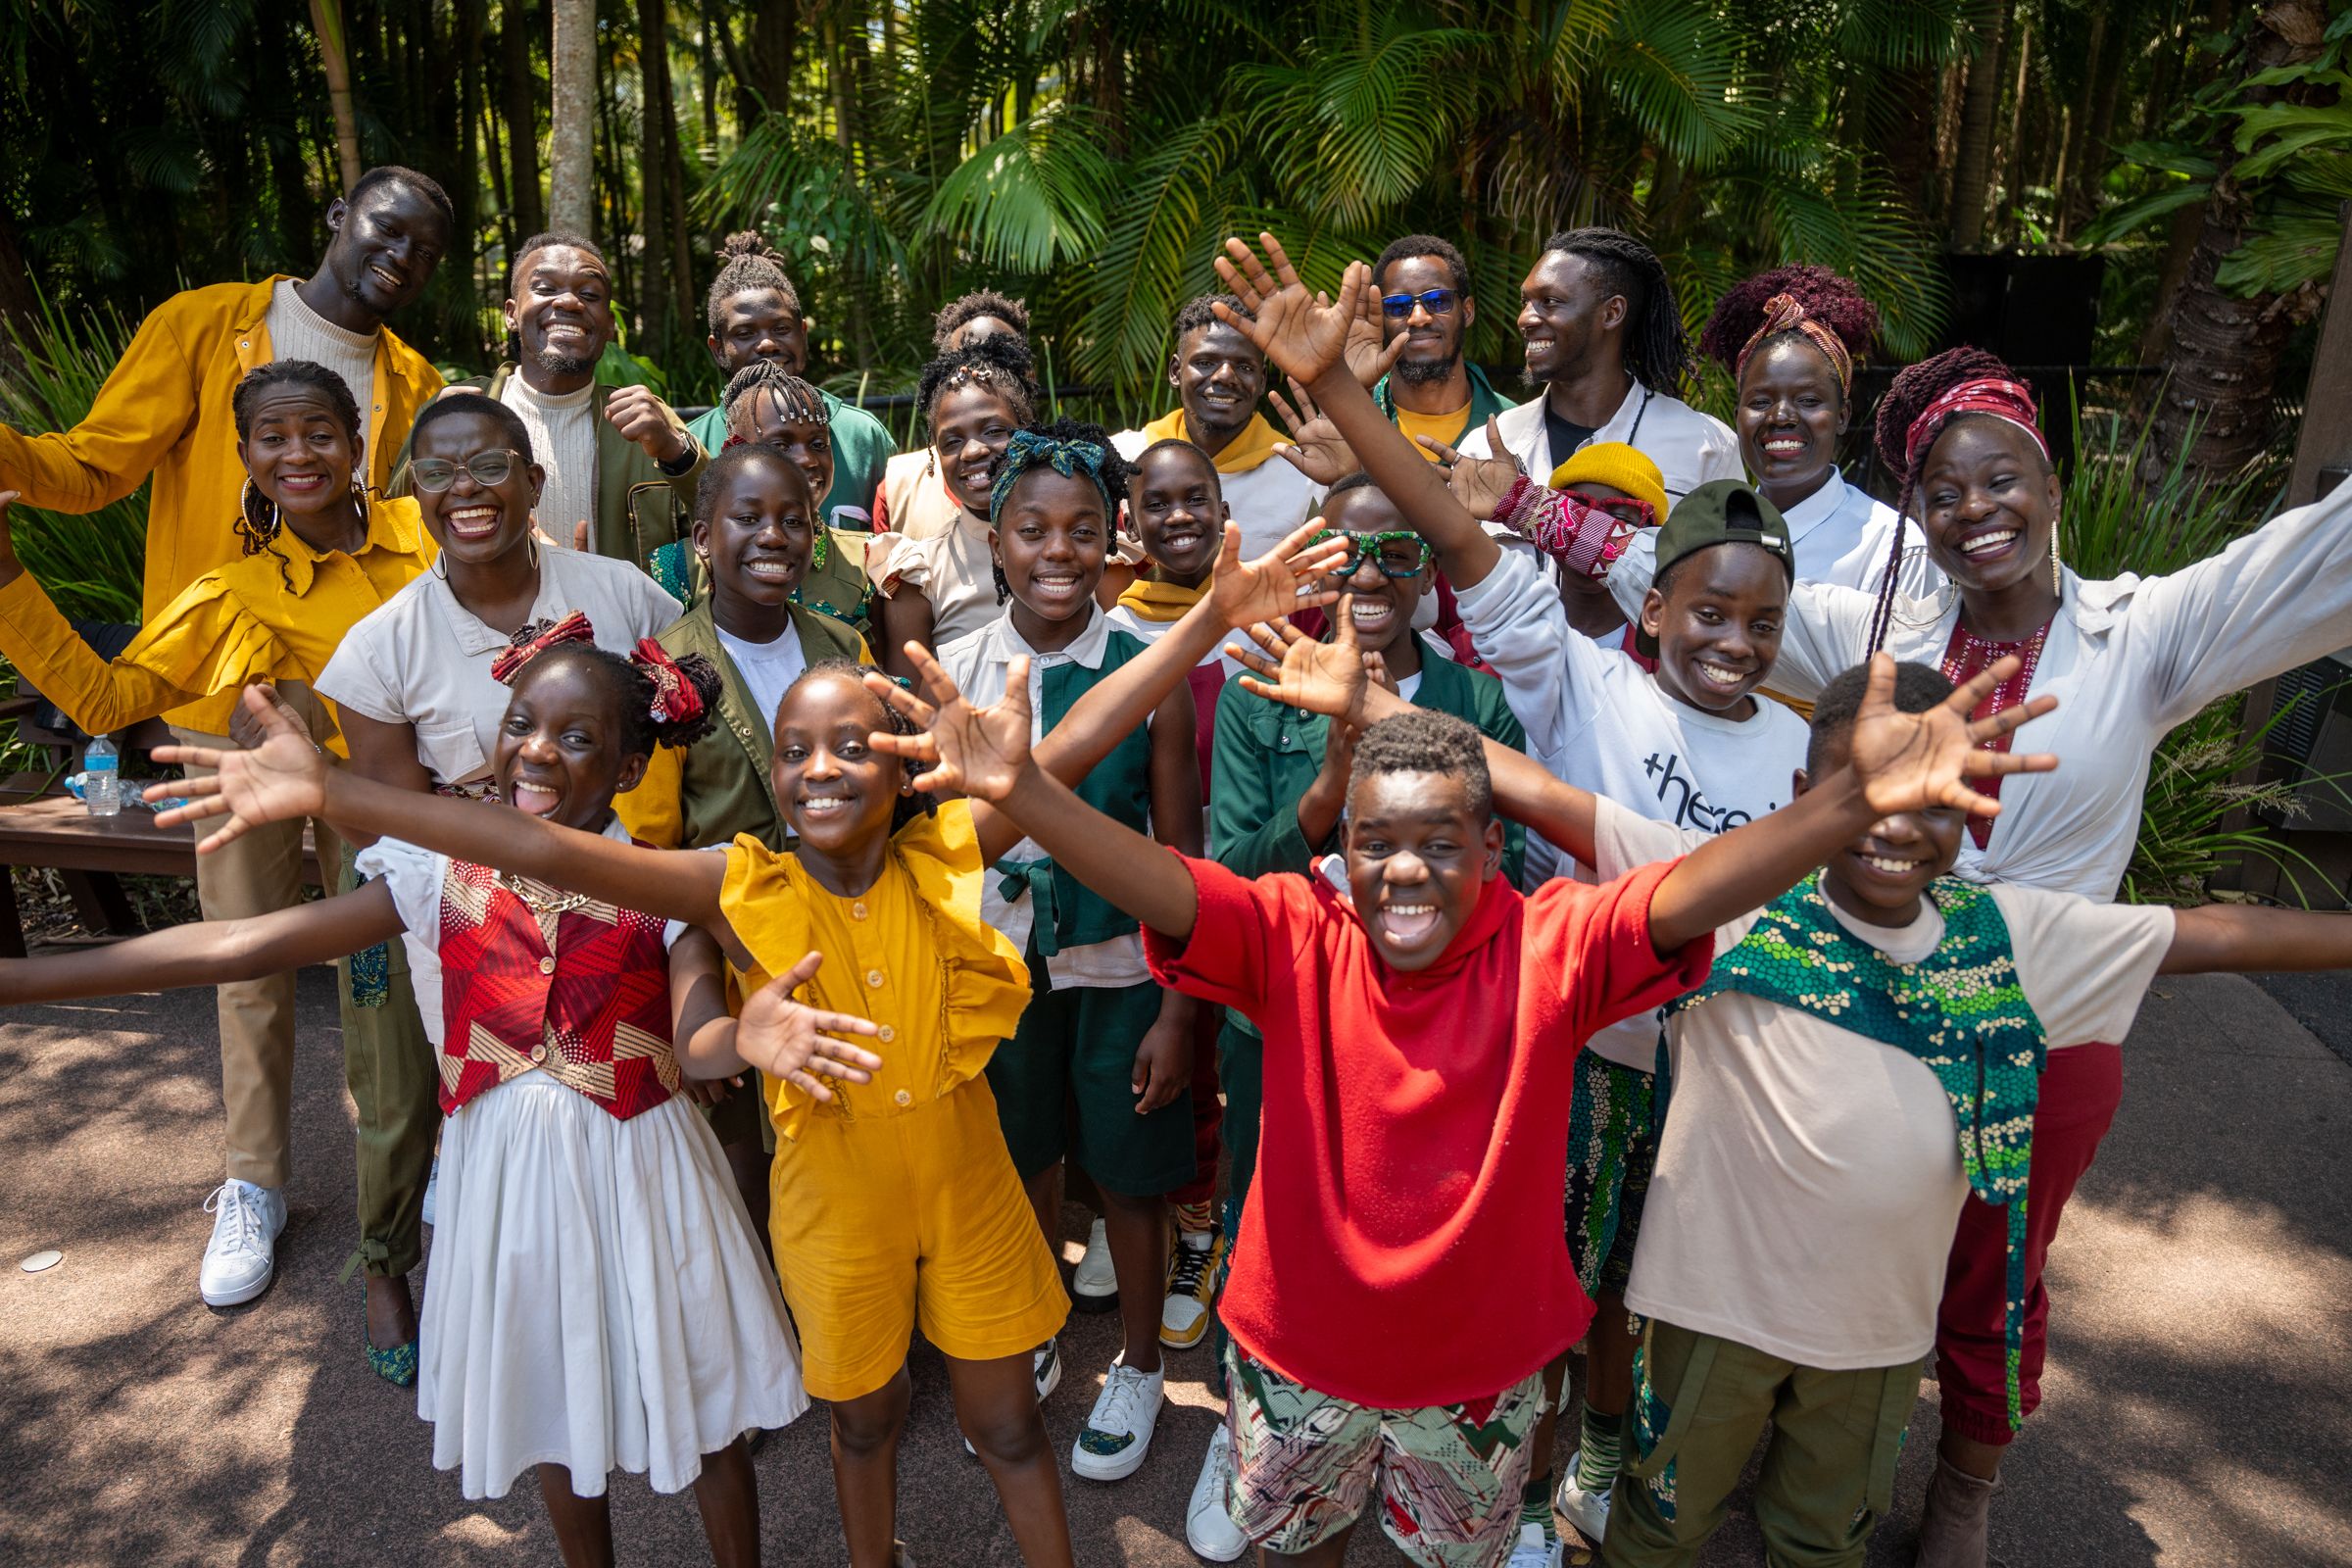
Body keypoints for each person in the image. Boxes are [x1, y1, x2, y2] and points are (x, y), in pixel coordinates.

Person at [875, 430, 2061, 1568]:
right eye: (1376, 840)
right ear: (1345, 847)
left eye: (1439, 841)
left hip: (1485, 1378)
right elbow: (1169, 885)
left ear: (1491, 849)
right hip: (1298, 1358)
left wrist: (1844, 807)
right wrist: (1024, 793)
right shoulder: (1299, 932)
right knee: (1300, 1551)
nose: (1404, 868)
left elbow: (1693, 888)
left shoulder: (1552, 943)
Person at [164, 516, 1348, 1568]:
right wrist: (333, 795)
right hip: (833, 1209)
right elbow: (540, 851)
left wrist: (1204, 619)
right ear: (769, 776)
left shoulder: (951, 850)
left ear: (902, 767)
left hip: (972, 1190)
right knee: (864, 1421)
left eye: (852, 746)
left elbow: (1087, 726)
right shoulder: (734, 882)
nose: (821, 768)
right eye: (794, 751)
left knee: (1007, 1426)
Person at [1628, 346, 2352, 1568]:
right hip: (1866, 996)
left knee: (1996, 1274)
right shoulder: (1883, 631)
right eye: (1944, 493)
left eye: (1999, 478)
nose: (1975, 510)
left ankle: (1963, 1482)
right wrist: (1521, 509)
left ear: (2051, 482)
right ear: (1918, 516)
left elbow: (2315, 558)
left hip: (2044, 1014)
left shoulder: (2145, 634)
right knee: (1828, 1222)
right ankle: (1779, 1423)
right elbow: (1696, 591)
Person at [1223, 250, 1815, 1561]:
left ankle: (1626, 1446)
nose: (1731, 639)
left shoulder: (1794, 746)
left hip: (1738, 1063)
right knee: (1564, 1269)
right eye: (1705, 609)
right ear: (1652, 610)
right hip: (1594, 1049)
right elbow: (1456, 533)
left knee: (1674, 1293)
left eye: (1760, 621)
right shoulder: (1584, 686)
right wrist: (1328, 381)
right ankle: (1550, 1469)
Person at [15, 636, 808, 1565]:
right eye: (522, 725)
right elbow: (241, 947)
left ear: (631, 766)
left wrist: (739, 1039)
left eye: (578, 737)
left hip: (643, 1171)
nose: (538, 751)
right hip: (506, 1184)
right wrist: (16, 984)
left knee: (703, 1399)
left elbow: (698, 1028)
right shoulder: (437, 874)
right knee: (551, 1402)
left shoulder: (668, 890)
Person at [0, 362, 434, 1316]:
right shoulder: (232, 591)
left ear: (356, 444)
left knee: (398, 975)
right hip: (251, 766)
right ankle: (254, 1183)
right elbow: (108, 697)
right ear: (245, 459)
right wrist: (6, 578)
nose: (297, 453)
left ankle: (421, 1164)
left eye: (318, 431)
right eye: (272, 438)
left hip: (396, 796)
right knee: (249, 963)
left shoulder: (424, 535)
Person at [1181, 472, 1531, 1564]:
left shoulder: (1477, 705)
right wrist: (1325, 792)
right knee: (1270, 1235)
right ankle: (1256, 1432)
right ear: (1317, 559)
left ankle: (1439, 1453)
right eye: (1349, 551)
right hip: (1288, 1032)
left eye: (1402, 552)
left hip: (1442, 1051)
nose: (1374, 573)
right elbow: (1228, 875)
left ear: (1433, 571)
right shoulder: (1255, 691)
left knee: (1431, 1238)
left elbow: (1503, 875)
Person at [313, 391, 681, 1373]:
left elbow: (680, 723)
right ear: (411, 492)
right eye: (434, 472)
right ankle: (458, 1297)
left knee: (636, 1097)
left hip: (621, 884)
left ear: (533, 478)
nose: (464, 490)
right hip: (475, 914)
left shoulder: (622, 593)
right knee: (494, 1105)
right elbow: (402, 822)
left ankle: (644, 1303)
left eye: (487, 465)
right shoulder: (381, 647)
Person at [933, 421, 1205, 1484]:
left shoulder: (1150, 676)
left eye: (1085, 529)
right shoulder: (952, 667)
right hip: (993, 969)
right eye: (1032, 528)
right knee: (1020, 1158)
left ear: (1116, 540)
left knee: (1131, 1175)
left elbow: (1183, 858)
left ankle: (1138, 1363)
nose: (1059, 550)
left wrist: (1181, 1007)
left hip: (1127, 974)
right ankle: (1036, 1319)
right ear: (993, 539)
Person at [0, 164, 451, 690]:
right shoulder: (199, 325)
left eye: (424, 253)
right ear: (338, 215)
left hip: (360, 694)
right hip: (217, 680)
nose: (401, 256)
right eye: (389, 230)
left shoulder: (420, 385)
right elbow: (92, 469)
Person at [619, 442, 873, 1229]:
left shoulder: (845, 652)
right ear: (702, 537)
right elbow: (650, 852)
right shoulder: (663, 673)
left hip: (847, 943)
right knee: (752, 1168)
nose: (774, 536)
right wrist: (686, 1009)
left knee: (853, 1134)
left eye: (793, 521)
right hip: (729, 962)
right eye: (749, 518)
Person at [1564, 267, 1942, 665]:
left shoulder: (1890, 547)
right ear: (1738, 415)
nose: (1781, 416)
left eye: (1809, 401)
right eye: (1760, 402)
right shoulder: (1700, 531)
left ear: (1844, 416)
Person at [1102, 436, 1235, 1353]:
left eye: (1199, 499)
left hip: (1261, 877)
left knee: (1244, 1070)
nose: (1180, 517)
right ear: (1132, 522)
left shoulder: (1264, 611)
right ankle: (1190, 1235)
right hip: (1168, 889)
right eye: (1160, 502)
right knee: (1179, 1072)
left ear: (1225, 510)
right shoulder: (1119, 629)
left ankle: (1231, 1226)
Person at [414, 231, 703, 569]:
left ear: (609, 326)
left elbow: (726, 524)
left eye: (589, 294)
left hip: (625, 621)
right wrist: (433, 442)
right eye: (546, 288)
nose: (568, 302)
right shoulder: (454, 412)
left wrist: (675, 452)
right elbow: (399, 528)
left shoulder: (649, 425)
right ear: (511, 313)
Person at [1455, 228, 1738, 509]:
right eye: (1525, 302)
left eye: (1549, 302)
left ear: (1612, 312)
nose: (1524, 318)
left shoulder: (1705, 448)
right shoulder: (1486, 447)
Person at [685, 231, 895, 531]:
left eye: (781, 328)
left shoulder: (863, 436)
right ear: (718, 349)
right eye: (745, 334)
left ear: (803, 334)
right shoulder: (692, 446)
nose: (767, 344)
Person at [648, 363, 871, 624]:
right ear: (735, 453)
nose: (807, 459)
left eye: (818, 444)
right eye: (781, 445)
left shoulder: (869, 559)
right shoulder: (677, 568)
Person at [868, 336, 1037, 678]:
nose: (973, 451)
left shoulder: (1082, 543)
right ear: (934, 455)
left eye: (993, 431)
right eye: (952, 441)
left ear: (1028, 432)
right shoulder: (921, 574)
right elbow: (910, 703)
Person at [1112, 295, 1322, 559]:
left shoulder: (1303, 476)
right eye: (1205, 362)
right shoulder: (1122, 459)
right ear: (1176, 371)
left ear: (1262, 380)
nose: (1225, 376)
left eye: (1244, 366)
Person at [873, 292, 1037, 542]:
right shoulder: (898, 489)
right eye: (964, 363)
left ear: (1029, 375)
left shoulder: (1079, 477)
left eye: (1002, 361)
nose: (981, 375)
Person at [1367, 234, 1518, 459]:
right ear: (1381, 319)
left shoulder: (1518, 428)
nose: (1418, 318)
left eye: (1438, 301)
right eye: (1398, 306)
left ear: (1467, 311)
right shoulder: (1353, 420)